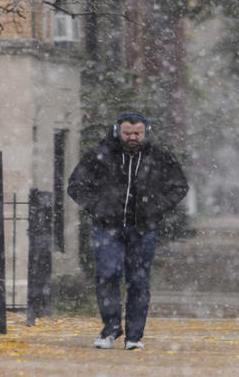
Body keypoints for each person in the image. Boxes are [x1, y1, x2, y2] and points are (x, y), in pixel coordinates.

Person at [67, 112, 189, 350]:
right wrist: (97, 207)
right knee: (107, 275)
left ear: (146, 132)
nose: (132, 137)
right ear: (117, 131)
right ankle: (110, 328)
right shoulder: (99, 155)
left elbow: (179, 186)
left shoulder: (159, 156)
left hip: (143, 229)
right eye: (127, 133)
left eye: (137, 133)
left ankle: (134, 335)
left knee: (139, 281)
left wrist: (156, 207)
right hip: (107, 228)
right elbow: (76, 185)